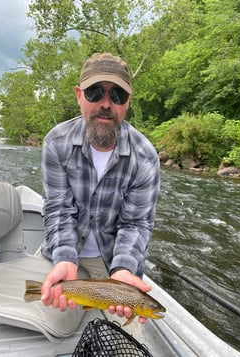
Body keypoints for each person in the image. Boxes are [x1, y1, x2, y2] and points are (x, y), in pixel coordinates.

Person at [40, 52, 160, 325]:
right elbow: (59, 211)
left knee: (120, 338)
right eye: (95, 93)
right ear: (79, 95)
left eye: (117, 95)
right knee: (53, 322)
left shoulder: (146, 156)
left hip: (115, 263)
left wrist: (123, 269)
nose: (106, 104)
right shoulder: (55, 143)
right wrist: (65, 259)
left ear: (127, 102)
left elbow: (136, 224)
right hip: (66, 254)